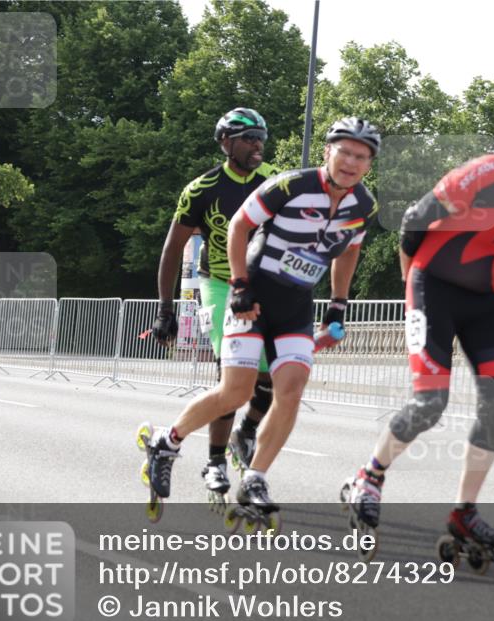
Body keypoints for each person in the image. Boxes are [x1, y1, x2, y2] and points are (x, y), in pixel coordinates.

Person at [343, 105, 494, 556]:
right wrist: (409, 290)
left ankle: (463, 511)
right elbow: (413, 225)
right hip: (432, 288)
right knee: (430, 403)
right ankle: (369, 476)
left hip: (484, 300)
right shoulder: (483, 175)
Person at [143, 117, 381, 514]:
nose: (351, 163)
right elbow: (239, 225)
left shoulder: (364, 204)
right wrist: (238, 286)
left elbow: (351, 248)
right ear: (328, 152)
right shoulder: (290, 184)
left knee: (291, 389)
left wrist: (339, 302)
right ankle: (166, 441)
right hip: (254, 294)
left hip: (296, 303)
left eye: (362, 157)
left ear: (369, 164)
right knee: (235, 391)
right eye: (344, 152)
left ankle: (255, 477)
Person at [150, 108, 278, 502]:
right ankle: (215, 460)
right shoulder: (202, 188)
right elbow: (173, 249)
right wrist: (165, 310)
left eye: (261, 137)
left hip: (263, 284)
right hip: (220, 284)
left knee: (272, 376)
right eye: (248, 138)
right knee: (232, 377)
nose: (258, 144)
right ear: (226, 142)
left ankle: (248, 431)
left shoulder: (274, 182)